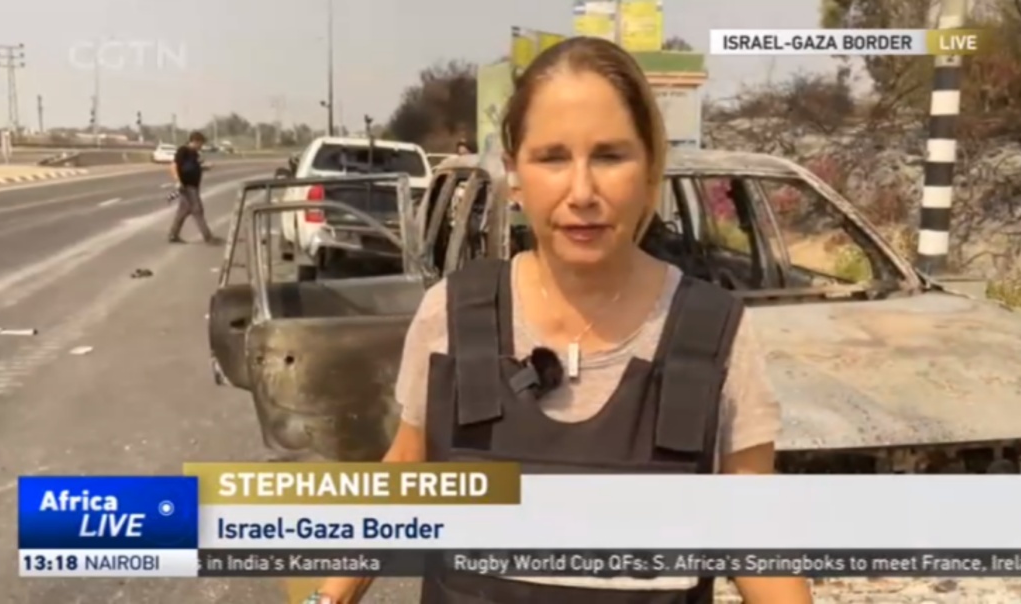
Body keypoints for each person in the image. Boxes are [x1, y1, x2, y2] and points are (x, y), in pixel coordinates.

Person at [305, 37, 812, 604]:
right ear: (514, 173)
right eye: (552, 158)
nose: (582, 192)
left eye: (610, 156)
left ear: (650, 169)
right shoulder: (449, 316)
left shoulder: (714, 335)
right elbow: (404, 473)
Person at [167, 131, 220, 244]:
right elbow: (173, 165)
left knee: (183, 211)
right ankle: (208, 237)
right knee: (198, 210)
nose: (201, 146)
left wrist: (205, 167)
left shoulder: (194, 154)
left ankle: (173, 235)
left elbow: (192, 168)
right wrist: (177, 181)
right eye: (201, 143)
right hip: (187, 186)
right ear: (195, 141)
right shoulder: (183, 150)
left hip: (193, 186)